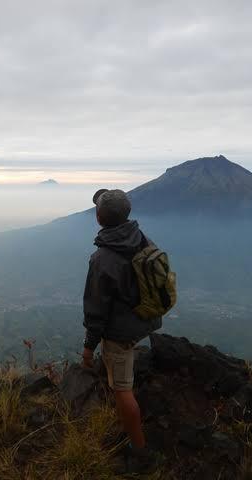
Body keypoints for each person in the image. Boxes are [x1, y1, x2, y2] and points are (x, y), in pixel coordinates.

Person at [81, 188, 162, 473]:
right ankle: (130, 425)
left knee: (122, 389)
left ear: (100, 217)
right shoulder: (141, 239)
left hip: (121, 332)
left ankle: (139, 452)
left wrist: (89, 347)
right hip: (146, 321)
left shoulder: (102, 258)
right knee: (122, 375)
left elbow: (96, 309)